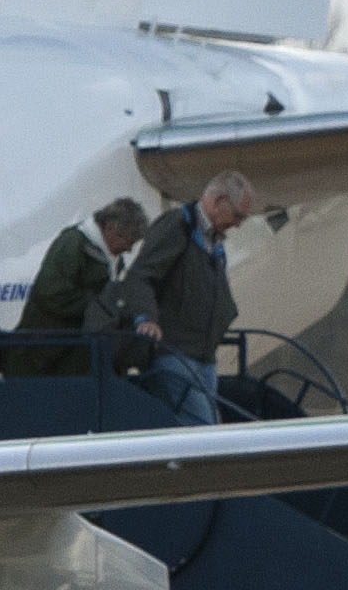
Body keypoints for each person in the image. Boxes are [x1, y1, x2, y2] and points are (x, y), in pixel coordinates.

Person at [116, 172, 255, 420]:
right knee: (203, 430)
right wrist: (145, 318)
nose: (238, 224)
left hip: (203, 357)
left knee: (206, 428)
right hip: (174, 354)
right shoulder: (177, 225)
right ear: (218, 201)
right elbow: (139, 276)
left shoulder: (213, 239)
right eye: (237, 215)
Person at [23, 193, 145, 356]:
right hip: (44, 356)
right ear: (109, 229)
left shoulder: (114, 259)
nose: (129, 250)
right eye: (129, 242)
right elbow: (50, 293)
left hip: (78, 354)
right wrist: (100, 307)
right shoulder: (73, 244)